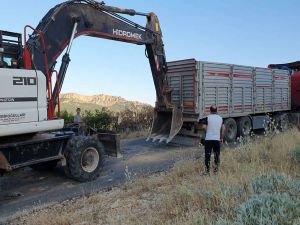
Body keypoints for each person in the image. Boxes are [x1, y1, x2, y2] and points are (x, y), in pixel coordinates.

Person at [202, 105, 225, 175]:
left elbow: (203, 126)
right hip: (217, 140)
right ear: (216, 111)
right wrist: (221, 138)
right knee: (217, 155)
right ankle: (216, 171)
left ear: (210, 110)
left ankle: (207, 172)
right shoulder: (220, 118)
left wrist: (207, 131)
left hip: (208, 139)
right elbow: (223, 128)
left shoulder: (207, 118)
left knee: (207, 155)